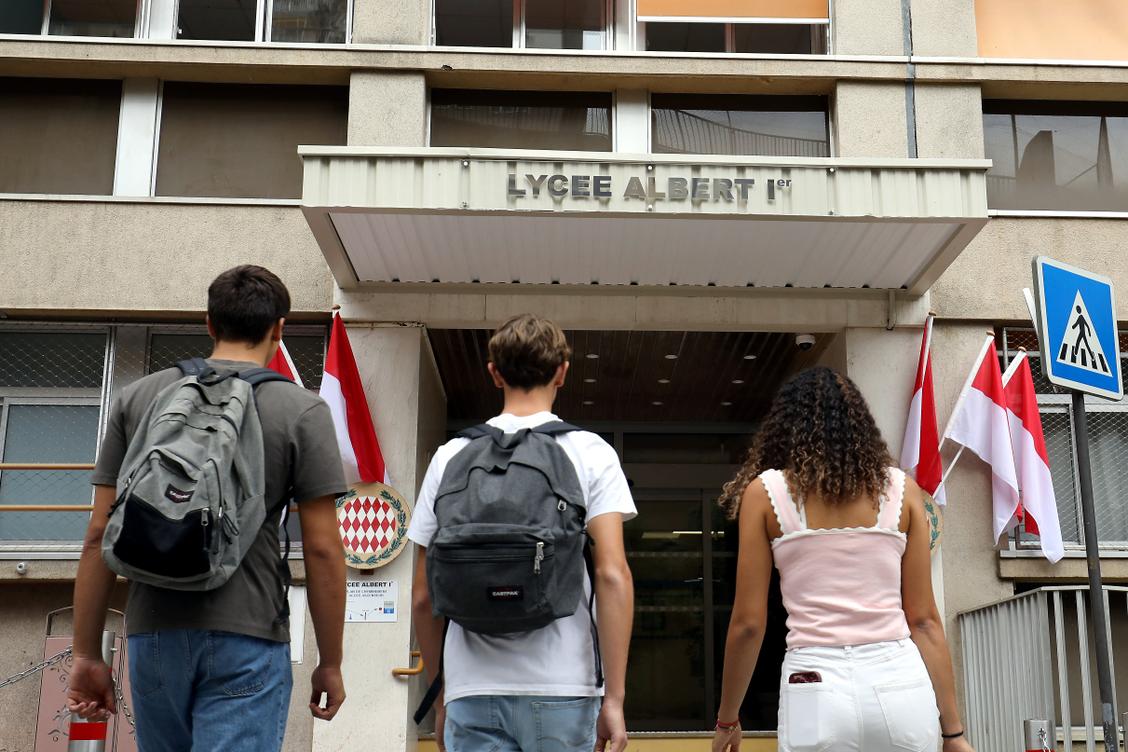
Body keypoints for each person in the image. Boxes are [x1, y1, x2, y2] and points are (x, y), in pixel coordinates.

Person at [66, 265, 349, 752]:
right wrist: (330, 660)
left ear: (209, 323)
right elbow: (323, 550)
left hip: (154, 631)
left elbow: (98, 533)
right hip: (250, 631)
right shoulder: (300, 410)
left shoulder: (138, 398)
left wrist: (87, 652)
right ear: (279, 328)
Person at [711, 367, 975, 752]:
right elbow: (924, 620)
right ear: (860, 425)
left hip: (813, 684)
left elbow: (749, 625)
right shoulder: (904, 492)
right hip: (900, 681)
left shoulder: (765, 494)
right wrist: (954, 733)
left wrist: (727, 719)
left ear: (785, 427)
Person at [409, 313, 636, 752]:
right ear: (562, 372)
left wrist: (442, 695)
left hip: (471, 689)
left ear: (494, 373)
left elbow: (423, 594)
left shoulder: (450, 456)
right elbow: (612, 576)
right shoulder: (590, 452)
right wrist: (615, 699)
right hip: (564, 685)